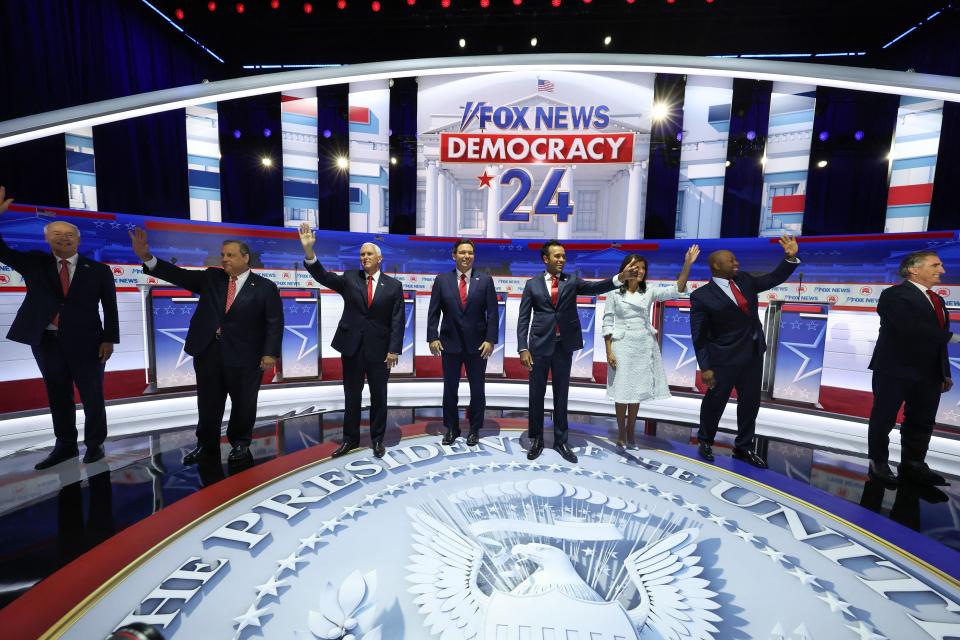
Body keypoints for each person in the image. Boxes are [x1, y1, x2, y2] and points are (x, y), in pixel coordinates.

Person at [130, 228, 283, 466]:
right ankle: (206, 445)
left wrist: (270, 353)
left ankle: (240, 444)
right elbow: (179, 276)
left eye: (230, 255)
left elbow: (274, 322)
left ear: (245, 258)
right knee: (209, 401)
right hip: (209, 351)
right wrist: (147, 258)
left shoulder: (264, 287)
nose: (225, 259)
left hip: (246, 355)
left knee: (244, 402)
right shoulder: (212, 278)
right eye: (223, 255)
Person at [0, 186, 119, 470]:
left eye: (69, 235)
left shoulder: (98, 270)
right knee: (57, 393)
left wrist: (109, 339)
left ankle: (95, 445)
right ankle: (65, 445)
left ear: (78, 239)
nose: (63, 239)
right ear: (47, 239)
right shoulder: (34, 263)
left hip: (89, 342)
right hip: (46, 341)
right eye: (57, 235)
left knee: (92, 394)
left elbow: (110, 308)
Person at [518, 240, 641, 463]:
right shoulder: (532, 284)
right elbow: (524, 318)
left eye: (563, 256)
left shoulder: (572, 280)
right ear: (545, 259)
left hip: (563, 346)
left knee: (561, 394)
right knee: (536, 395)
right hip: (538, 347)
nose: (561, 260)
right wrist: (523, 348)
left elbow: (595, 288)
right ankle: (536, 439)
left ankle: (560, 441)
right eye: (557, 256)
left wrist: (619, 278)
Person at [691, 233, 799, 468]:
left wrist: (790, 258)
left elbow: (773, 278)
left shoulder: (746, 281)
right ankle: (705, 441)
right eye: (731, 260)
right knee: (715, 401)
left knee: (750, 403)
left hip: (752, 354)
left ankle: (744, 447)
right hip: (723, 359)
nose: (737, 263)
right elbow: (698, 336)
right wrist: (705, 367)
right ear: (716, 265)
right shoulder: (701, 296)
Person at [298, 223, 403, 459]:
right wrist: (309, 252)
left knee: (379, 396)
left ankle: (377, 439)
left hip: (380, 351)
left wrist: (394, 350)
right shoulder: (349, 278)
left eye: (369, 254)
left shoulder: (394, 286)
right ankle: (350, 439)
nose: (364, 258)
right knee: (351, 395)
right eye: (362, 254)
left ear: (380, 258)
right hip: (352, 348)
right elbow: (323, 277)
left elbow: (398, 320)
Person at [866, 250, 956, 488]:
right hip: (895, 369)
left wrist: (944, 371)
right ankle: (878, 463)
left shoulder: (938, 300)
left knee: (922, 420)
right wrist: (953, 337)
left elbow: (936, 343)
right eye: (936, 265)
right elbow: (910, 328)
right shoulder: (893, 295)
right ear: (914, 269)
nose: (942, 270)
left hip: (929, 373)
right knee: (883, 418)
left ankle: (913, 464)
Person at [603, 245, 699, 449]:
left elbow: (677, 289)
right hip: (621, 344)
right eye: (635, 267)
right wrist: (609, 350)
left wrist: (687, 265)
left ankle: (631, 433)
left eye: (643, 268)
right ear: (625, 269)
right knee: (622, 391)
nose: (639, 271)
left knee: (635, 391)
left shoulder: (650, 291)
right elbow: (607, 321)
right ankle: (621, 433)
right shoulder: (613, 293)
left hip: (643, 344)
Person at [426, 238, 499, 447]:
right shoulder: (442, 280)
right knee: (450, 389)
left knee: (477, 390)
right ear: (454, 256)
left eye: (470, 253)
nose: (467, 256)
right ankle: (452, 428)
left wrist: (490, 340)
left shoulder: (485, 280)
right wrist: (433, 337)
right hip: (450, 344)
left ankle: (475, 429)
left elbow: (492, 314)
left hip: (478, 346)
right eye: (462, 252)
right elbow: (433, 312)